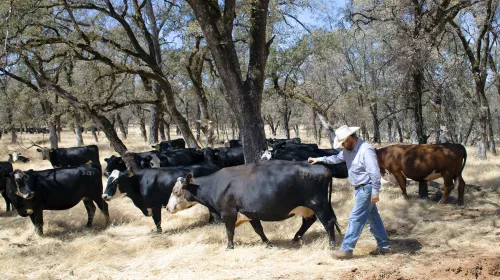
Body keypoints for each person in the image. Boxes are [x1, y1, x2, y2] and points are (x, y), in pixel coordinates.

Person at [308, 125, 390, 259]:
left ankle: (346, 250)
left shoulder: (365, 150)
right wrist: (319, 159)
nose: (343, 145)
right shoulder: (348, 150)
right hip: (360, 189)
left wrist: (375, 191)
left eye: (343, 142)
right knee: (373, 218)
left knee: (355, 218)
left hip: (366, 188)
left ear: (350, 138)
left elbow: (374, 172)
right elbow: (336, 158)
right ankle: (384, 247)